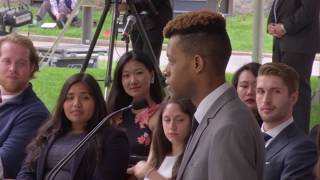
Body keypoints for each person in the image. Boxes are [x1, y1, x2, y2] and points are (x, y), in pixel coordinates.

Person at [163, 9, 265, 180]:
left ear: (197, 63)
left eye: (172, 61)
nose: (165, 70)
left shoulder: (229, 128)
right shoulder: (215, 116)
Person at [17, 73, 129, 180]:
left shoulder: (113, 139)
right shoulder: (49, 132)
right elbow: (26, 171)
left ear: (96, 102)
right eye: (70, 98)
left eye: (85, 97)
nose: (76, 104)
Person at [0, 33, 49, 179]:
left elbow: (4, 164)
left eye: (21, 63)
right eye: (6, 61)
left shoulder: (35, 114)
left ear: (32, 67)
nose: (12, 68)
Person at [256, 62, 317, 180]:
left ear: (293, 98)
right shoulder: (245, 138)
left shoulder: (302, 148)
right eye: (261, 91)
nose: (266, 100)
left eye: (276, 91)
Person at [267, 0, 320, 133]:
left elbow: (308, 11)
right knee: (280, 87)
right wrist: (270, 24)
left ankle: (299, 135)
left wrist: (285, 27)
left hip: (299, 45)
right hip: (280, 44)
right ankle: (282, 133)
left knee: (296, 90)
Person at [106, 50, 165, 167]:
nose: (133, 81)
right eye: (126, 75)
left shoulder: (162, 115)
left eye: (139, 73)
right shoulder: (115, 113)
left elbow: (159, 162)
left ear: (152, 75)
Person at [128, 98, 195, 180]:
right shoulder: (159, 154)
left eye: (179, 120)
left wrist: (149, 172)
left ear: (192, 120)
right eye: (167, 120)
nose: (172, 126)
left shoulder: (195, 158)